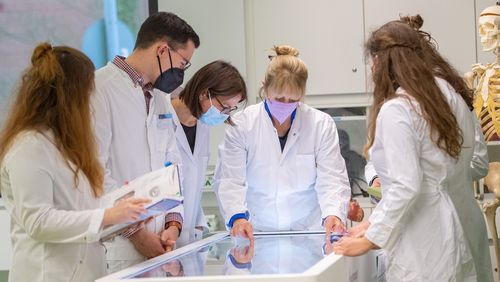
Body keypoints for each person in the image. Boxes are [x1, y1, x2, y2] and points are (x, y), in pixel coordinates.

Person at [332, 21, 483, 281]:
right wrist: (371, 224)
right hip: (450, 231)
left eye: (371, 60)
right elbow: (427, 176)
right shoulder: (448, 94)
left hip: (422, 243)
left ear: (381, 60)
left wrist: (369, 239)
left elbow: (406, 186)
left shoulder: (398, 109)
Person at [0, 43, 150, 282]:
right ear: (69, 95)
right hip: (46, 274)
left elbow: (82, 212)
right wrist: (110, 215)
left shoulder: (67, 145)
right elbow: (38, 221)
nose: (92, 101)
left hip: (86, 272)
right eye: (89, 92)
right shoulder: (29, 146)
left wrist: (127, 213)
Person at [91, 12, 199, 272]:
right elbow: (95, 172)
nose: (182, 72)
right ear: (162, 49)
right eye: (183, 63)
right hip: (118, 249)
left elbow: (173, 166)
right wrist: (136, 235)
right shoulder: (99, 88)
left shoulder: (160, 98)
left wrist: (173, 224)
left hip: (160, 244)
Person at [214, 45, 351, 242]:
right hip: (257, 233)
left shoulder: (320, 124)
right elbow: (230, 180)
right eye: (279, 98)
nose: (285, 105)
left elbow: (332, 179)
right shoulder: (242, 124)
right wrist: (237, 218)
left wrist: (333, 214)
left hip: (308, 233)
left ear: (302, 95)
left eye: (292, 99)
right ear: (265, 88)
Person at [171, 60, 247, 247]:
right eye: (224, 107)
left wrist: (197, 225)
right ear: (205, 93)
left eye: (231, 109)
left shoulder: (202, 125)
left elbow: (192, 185)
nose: (225, 114)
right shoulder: (160, 120)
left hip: (188, 236)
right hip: (160, 234)